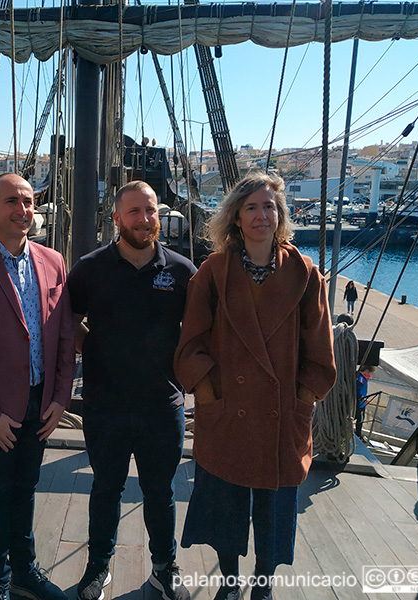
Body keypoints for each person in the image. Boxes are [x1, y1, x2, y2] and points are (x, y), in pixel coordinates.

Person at [174, 171, 336, 600]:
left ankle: (263, 584)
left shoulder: (304, 274)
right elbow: (190, 344)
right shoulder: (214, 271)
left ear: (280, 214)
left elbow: (321, 356)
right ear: (236, 218)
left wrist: (302, 401)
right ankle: (230, 583)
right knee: (227, 509)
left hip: (281, 416)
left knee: (274, 512)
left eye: (269, 207)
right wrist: (210, 395)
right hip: (229, 411)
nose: (261, 215)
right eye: (251, 207)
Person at [67, 180, 196, 600]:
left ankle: (164, 566)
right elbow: (68, 321)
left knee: (161, 491)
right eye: (135, 212)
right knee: (106, 487)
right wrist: (96, 348)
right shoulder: (90, 268)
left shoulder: (180, 271)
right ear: (117, 217)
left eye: (151, 211)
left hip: (162, 405)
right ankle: (98, 567)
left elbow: (200, 332)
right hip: (106, 405)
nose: (145, 219)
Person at [0, 173, 75, 600]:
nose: (23, 210)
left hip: (40, 400)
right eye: (12, 201)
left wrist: (61, 397)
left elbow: (64, 335)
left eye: (28, 202)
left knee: (27, 486)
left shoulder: (53, 260)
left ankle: (25, 568)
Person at [355, 366, 376, 439]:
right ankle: (358, 434)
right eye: (370, 374)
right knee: (359, 419)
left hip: (362, 402)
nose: (369, 376)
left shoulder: (362, 378)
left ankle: (358, 434)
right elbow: (356, 389)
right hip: (360, 402)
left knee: (360, 418)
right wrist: (362, 398)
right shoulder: (360, 379)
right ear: (366, 371)